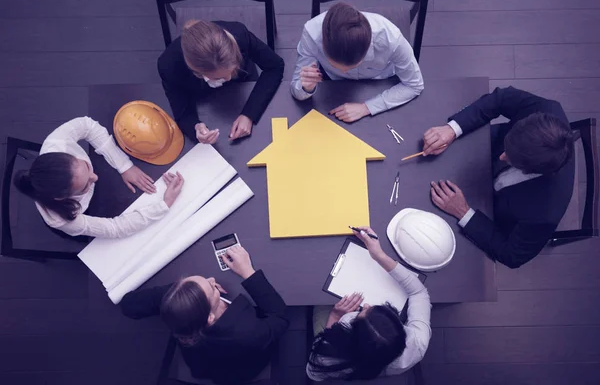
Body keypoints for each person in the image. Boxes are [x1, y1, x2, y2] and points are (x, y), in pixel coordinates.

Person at [424, 86, 577, 268]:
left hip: (489, 209)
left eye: (511, 159)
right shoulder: (547, 110)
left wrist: (463, 212)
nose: (502, 157)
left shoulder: (544, 214)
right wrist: (452, 129)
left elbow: (512, 256)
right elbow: (501, 99)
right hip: (478, 152)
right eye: (507, 149)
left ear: (532, 169)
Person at [120, 245, 289, 385]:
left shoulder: (177, 306)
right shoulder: (249, 332)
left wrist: (185, 292)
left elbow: (128, 305)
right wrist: (247, 272)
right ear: (210, 317)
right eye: (211, 288)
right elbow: (280, 317)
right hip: (242, 371)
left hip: (200, 366)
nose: (212, 279)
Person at [14, 116, 185, 238]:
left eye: (87, 167)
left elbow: (88, 126)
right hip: (85, 212)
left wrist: (124, 166)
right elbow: (115, 228)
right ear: (62, 196)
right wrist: (164, 205)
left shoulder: (57, 142)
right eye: (85, 185)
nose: (95, 177)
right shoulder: (61, 219)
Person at [307, 227, 431, 381]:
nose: (365, 305)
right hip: (377, 365)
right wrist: (379, 256)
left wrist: (335, 316)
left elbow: (313, 373)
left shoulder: (330, 356)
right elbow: (419, 292)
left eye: (360, 313)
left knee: (319, 298)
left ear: (350, 332)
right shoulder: (417, 344)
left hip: (344, 348)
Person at [291, 3, 424, 123]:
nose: (345, 72)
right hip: (333, 84)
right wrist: (306, 88)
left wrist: (367, 107)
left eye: (353, 66)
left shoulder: (392, 39)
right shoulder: (311, 33)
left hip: (382, 81)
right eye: (335, 65)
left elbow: (414, 85)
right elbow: (296, 87)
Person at [158, 20, 285, 144]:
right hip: (202, 98)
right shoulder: (169, 65)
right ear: (196, 71)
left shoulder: (239, 34)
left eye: (232, 69)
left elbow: (275, 66)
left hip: (244, 83)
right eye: (218, 77)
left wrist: (249, 114)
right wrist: (195, 127)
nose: (229, 78)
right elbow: (182, 111)